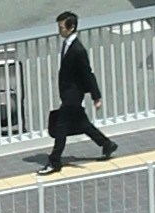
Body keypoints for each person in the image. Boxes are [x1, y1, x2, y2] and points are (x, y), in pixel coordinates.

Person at [45, 10, 116, 173]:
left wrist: (96, 96)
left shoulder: (78, 50)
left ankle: (54, 161)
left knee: (61, 126)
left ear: (71, 28)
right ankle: (107, 144)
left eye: (62, 27)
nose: (59, 30)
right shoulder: (68, 45)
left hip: (73, 94)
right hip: (69, 92)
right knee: (82, 124)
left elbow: (87, 73)